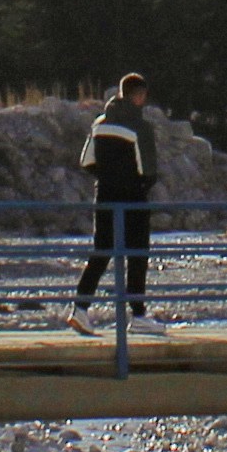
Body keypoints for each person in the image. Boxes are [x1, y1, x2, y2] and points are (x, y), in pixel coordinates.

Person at [72, 71, 161, 320]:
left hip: (105, 195)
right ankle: (138, 314)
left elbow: (86, 161)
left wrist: (107, 177)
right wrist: (137, 185)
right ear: (139, 95)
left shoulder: (100, 123)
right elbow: (149, 171)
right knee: (137, 255)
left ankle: (80, 309)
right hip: (133, 198)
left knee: (102, 252)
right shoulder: (140, 127)